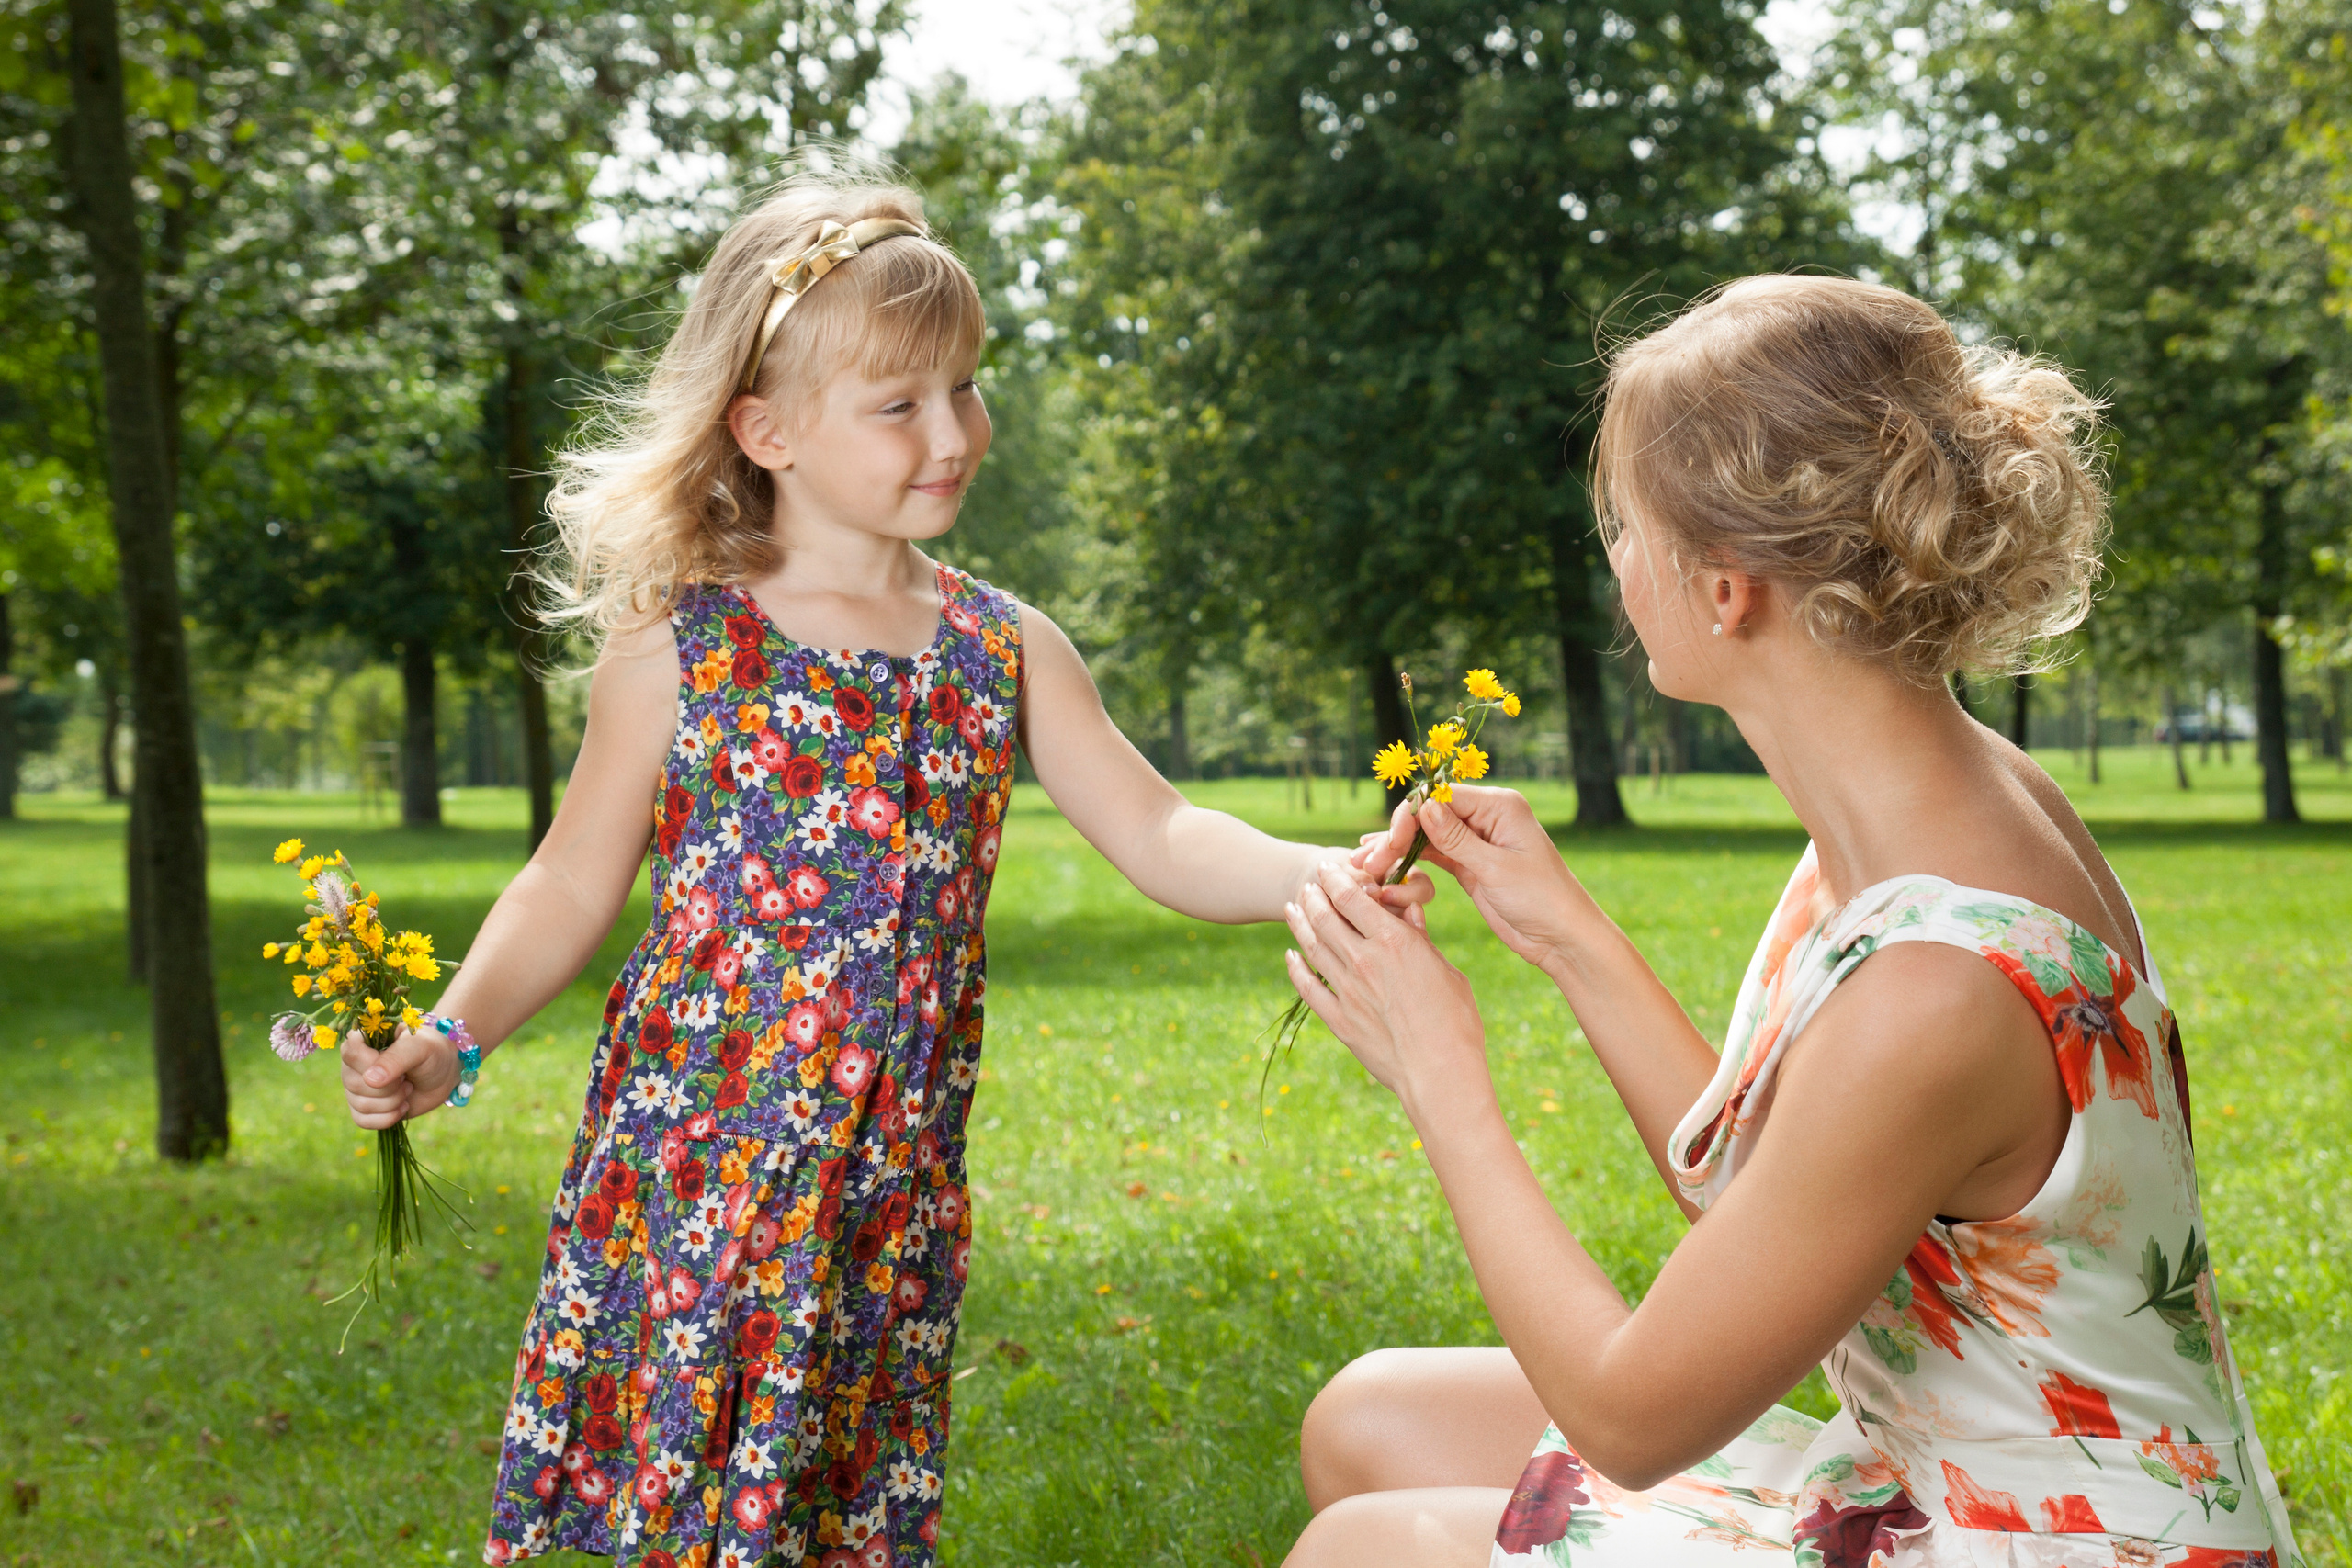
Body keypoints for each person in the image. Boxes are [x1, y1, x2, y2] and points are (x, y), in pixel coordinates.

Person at [335, 164, 1353, 1568]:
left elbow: (1162, 830)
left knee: (835, 1509)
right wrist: (453, 1035)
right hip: (699, 1166)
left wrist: (1330, 866)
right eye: (899, 404)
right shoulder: (684, 643)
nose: (953, 432)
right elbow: (570, 880)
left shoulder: (1005, 649)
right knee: (681, 1508)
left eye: (967, 388)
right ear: (766, 430)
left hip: (884, 1189)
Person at [1277, 276, 2301, 1568]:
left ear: (1725, 589)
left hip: (2049, 1545)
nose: (1613, 563)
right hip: (1950, 1479)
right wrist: (1566, 932)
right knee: (1373, 1421)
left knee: (1370, 1548)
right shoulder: (1911, 824)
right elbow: (1772, 1200)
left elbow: (1631, 1414)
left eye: (1623, 526)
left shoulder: (1940, 986)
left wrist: (1439, 1072)